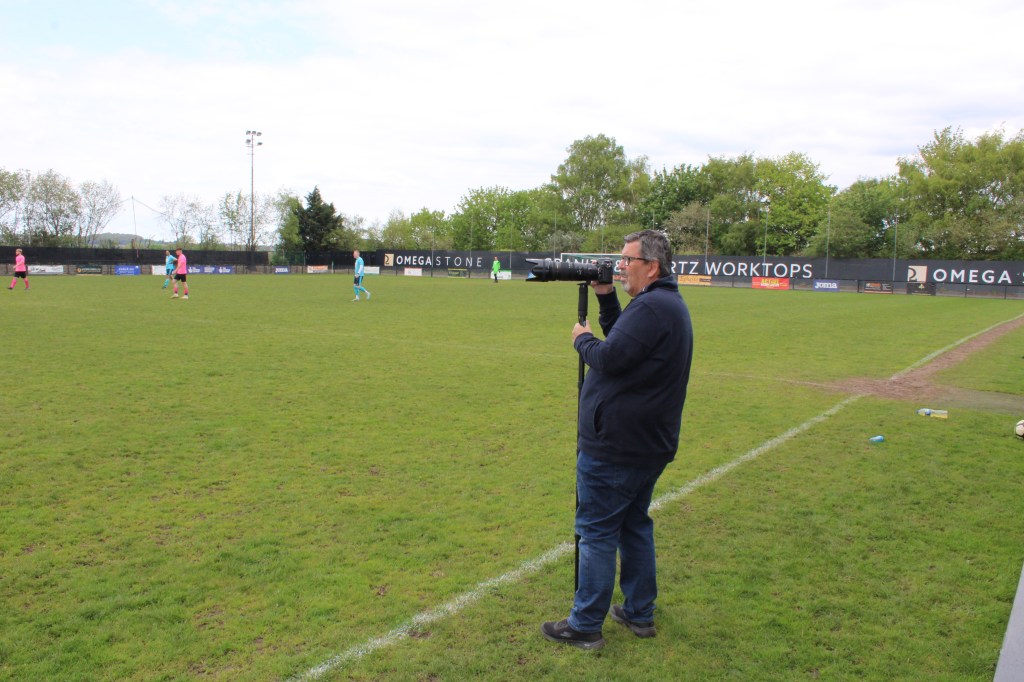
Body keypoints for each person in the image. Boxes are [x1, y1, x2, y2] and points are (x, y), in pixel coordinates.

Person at [541, 230, 694, 650]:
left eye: (628, 260)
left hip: (619, 446)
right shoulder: (661, 304)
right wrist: (606, 296)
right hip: (646, 442)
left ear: (653, 267)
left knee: (596, 531)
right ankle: (639, 612)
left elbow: (610, 356)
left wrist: (581, 340)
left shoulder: (653, 307)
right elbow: (627, 342)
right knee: (633, 525)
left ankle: (585, 624)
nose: (621, 266)